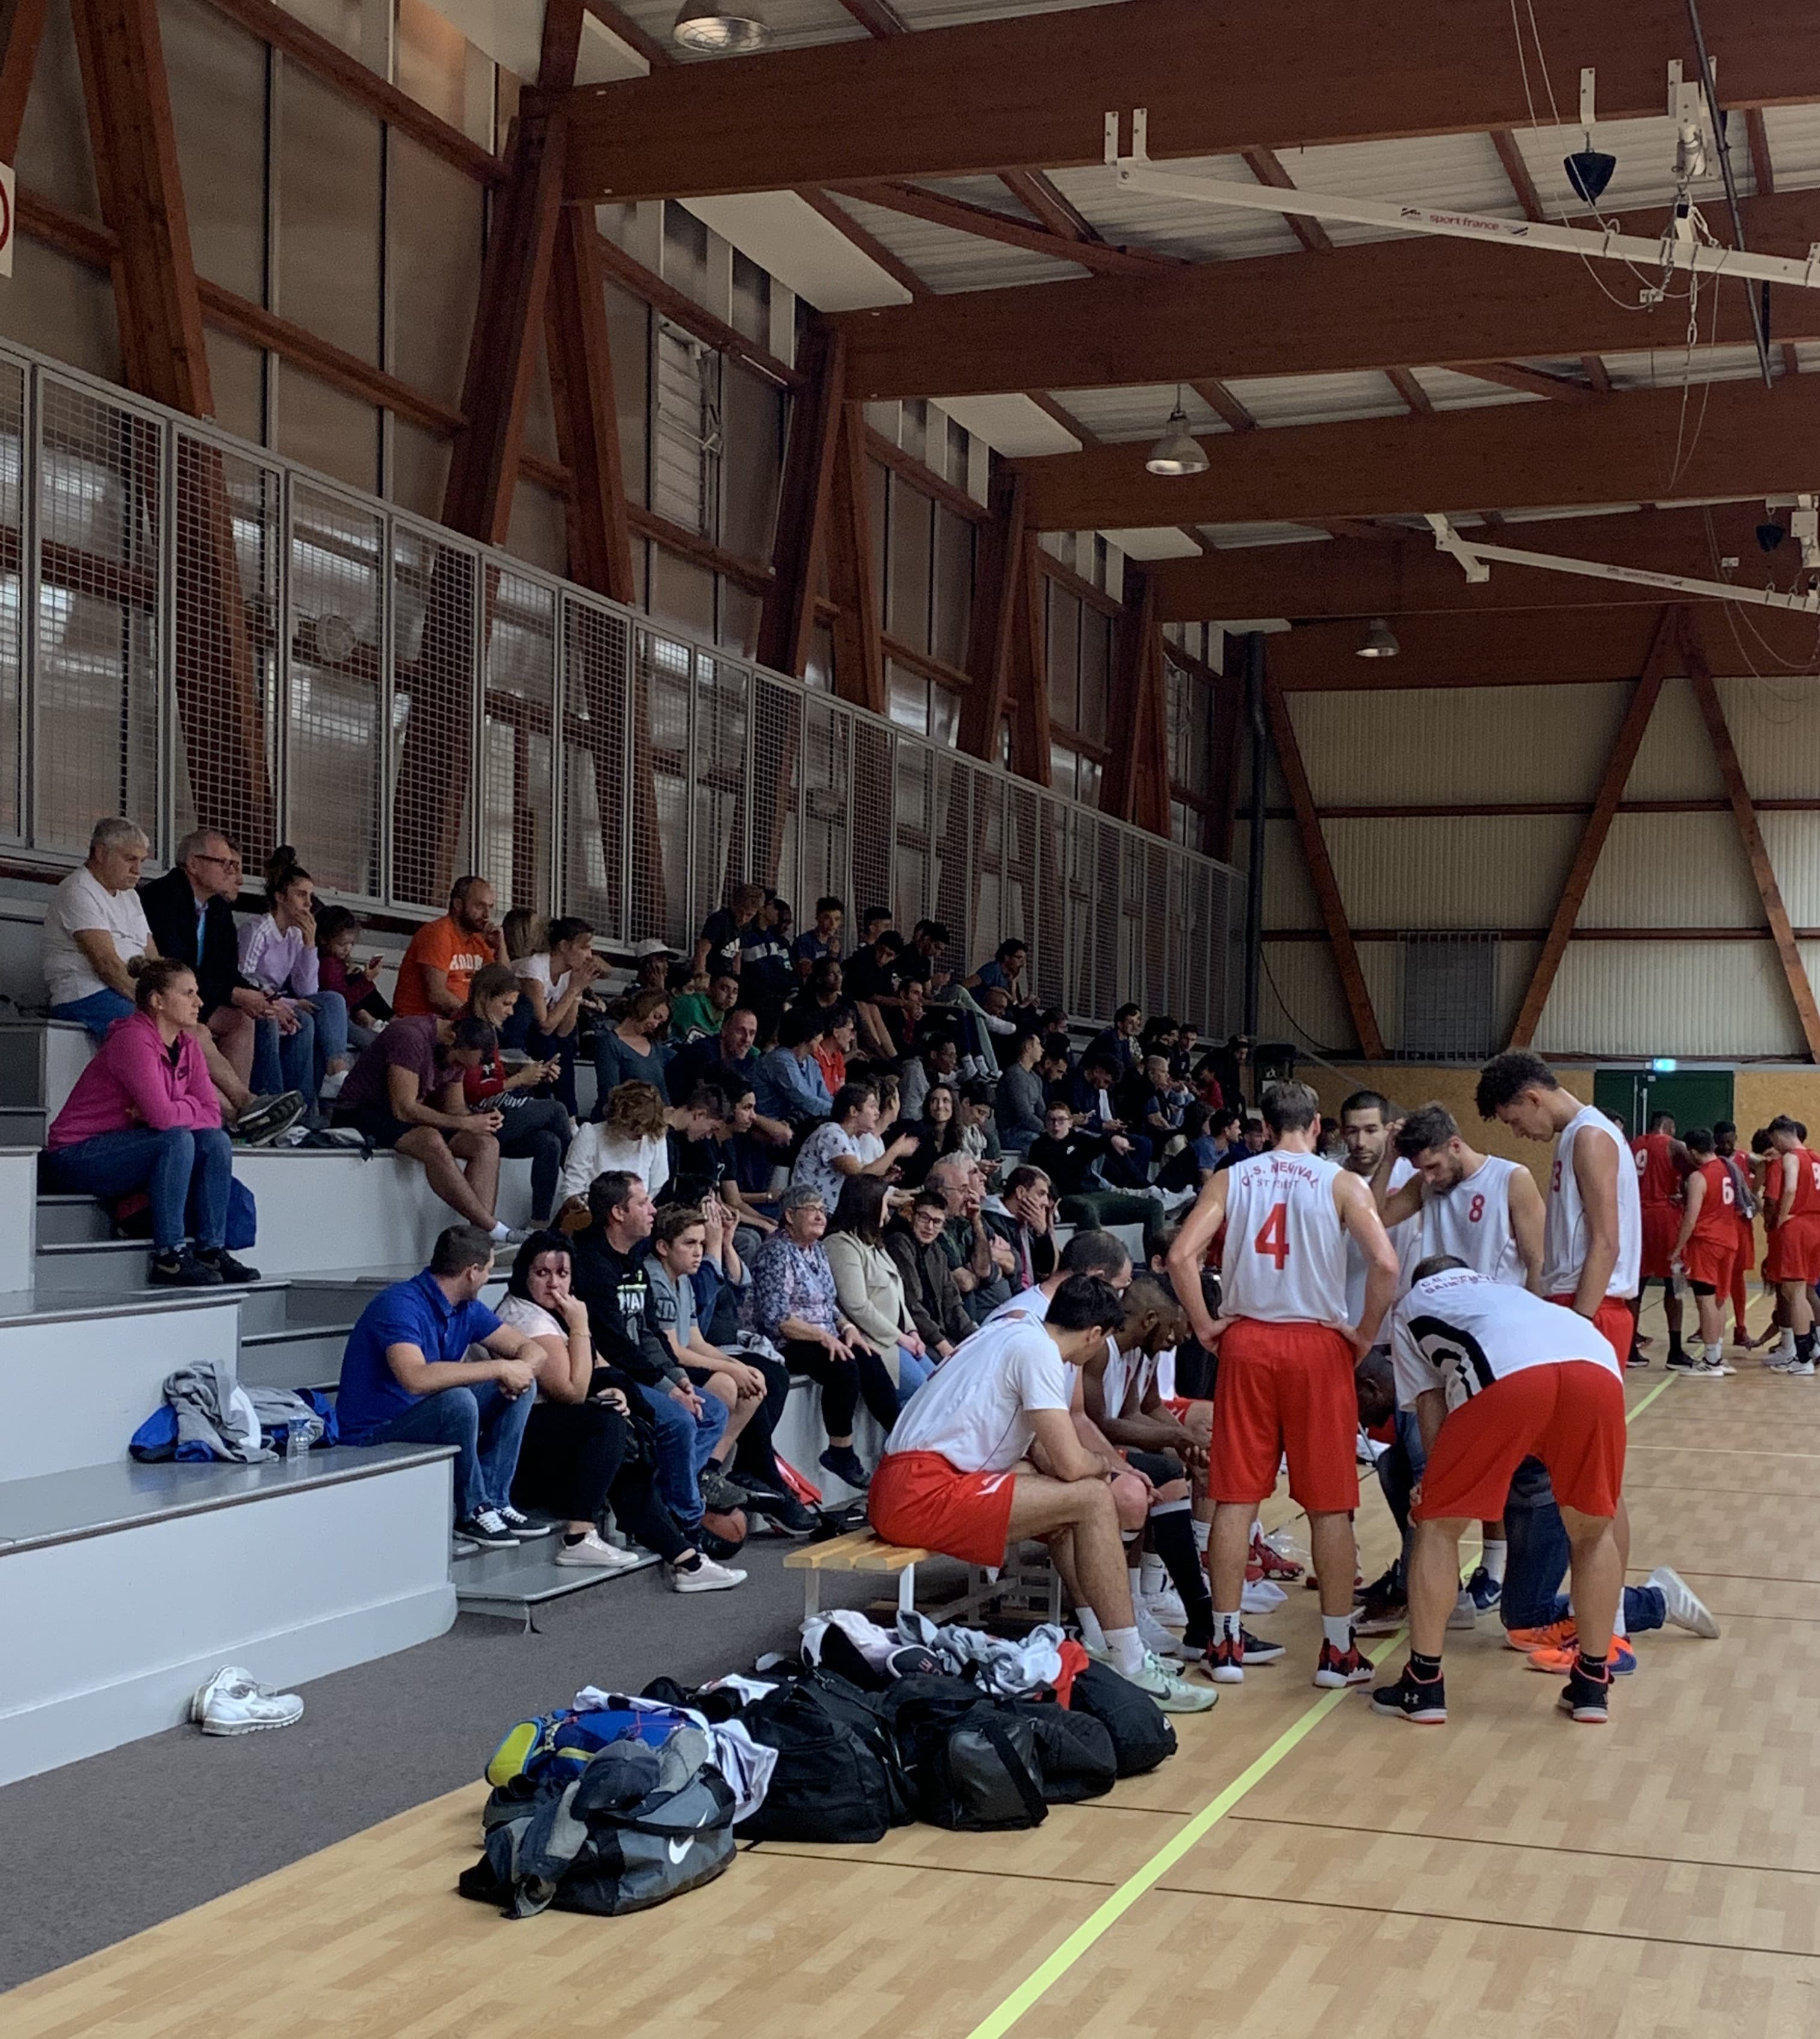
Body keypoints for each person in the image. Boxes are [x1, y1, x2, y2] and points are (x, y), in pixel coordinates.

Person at [870, 1275, 1212, 1713]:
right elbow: (1072, 1461)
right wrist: (1107, 1465)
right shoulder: (1040, 1353)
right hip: (919, 1490)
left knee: (1068, 1499)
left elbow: (1046, 1455)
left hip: (911, 1480)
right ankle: (1132, 1660)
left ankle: (1101, 1637)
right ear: (1094, 1335)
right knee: (1089, 1497)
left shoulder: (1012, 1330)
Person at [1168, 1078, 1398, 1689]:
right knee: (1330, 1504)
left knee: (1236, 1497)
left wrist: (1204, 1326)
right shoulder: (1340, 1183)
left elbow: (1180, 1255)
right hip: (1318, 1345)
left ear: (1264, 1129)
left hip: (1246, 1341)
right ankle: (1338, 1653)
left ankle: (1223, 1643)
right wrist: (1363, 1333)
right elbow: (1386, 1263)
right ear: (1317, 1126)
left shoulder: (1232, 1178)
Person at [1369, 1260, 1629, 1727]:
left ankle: (1424, 1683)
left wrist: (1435, 1485)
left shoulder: (1410, 1307)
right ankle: (1592, 1681)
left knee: (1439, 1525)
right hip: (1596, 1362)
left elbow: (1431, 1403)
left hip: (1507, 1370)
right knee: (1592, 1530)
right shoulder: (1505, 1290)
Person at [45, 959, 258, 1288]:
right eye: (188, 994)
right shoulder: (132, 1040)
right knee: (177, 1140)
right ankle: (169, 1257)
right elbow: (163, 1119)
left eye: (197, 994)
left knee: (215, 1141)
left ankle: (211, 1250)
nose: (199, 1002)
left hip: (131, 1147)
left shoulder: (189, 1044)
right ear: (158, 1001)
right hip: (77, 1154)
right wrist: (181, 1109)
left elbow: (212, 1115)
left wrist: (176, 1108)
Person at [335, 1224, 548, 1548]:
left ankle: (496, 1500)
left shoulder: (466, 1308)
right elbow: (416, 1378)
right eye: (488, 1271)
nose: (489, 1278)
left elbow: (534, 1352)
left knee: (523, 1386)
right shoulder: (399, 1304)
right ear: (472, 1272)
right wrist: (500, 1367)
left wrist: (518, 1370)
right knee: (460, 1401)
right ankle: (471, 1511)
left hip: (421, 1415)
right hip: (375, 1432)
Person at [568, 1171, 729, 1549]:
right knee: (680, 1420)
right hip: (608, 1372)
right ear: (618, 1213)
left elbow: (652, 1332)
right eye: (643, 1202)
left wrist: (678, 1378)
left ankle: (659, 1504)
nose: (653, 1209)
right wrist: (668, 1389)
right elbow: (615, 1343)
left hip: (642, 1371)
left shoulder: (633, 1263)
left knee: (714, 1411)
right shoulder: (591, 1263)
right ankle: (686, 1523)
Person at [1474, 1052, 1641, 1361]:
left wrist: (1579, 1324)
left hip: (1590, 1308)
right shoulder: (1575, 1135)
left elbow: (1606, 1242)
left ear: (1532, 1098)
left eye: (1514, 1121)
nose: (1517, 1132)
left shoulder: (1590, 1136)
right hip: (1575, 1304)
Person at [751, 1183, 901, 1491]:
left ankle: (902, 1439)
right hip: (788, 1341)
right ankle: (840, 1451)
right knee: (843, 1366)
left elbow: (828, 1303)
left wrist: (847, 1328)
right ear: (790, 1216)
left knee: (870, 1358)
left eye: (823, 1210)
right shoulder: (776, 1253)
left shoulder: (817, 1250)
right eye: (813, 1210)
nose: (821, 1216)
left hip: (823, 1334)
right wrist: (822, 1337)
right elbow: (776, 1318)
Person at [332, 1010, 516, 1241]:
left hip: (398, 1112)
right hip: (360, 1110)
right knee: (431, 1140)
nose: (458, 1068)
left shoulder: (459, 1049)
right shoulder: (410, 1036)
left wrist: (482, 1119)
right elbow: (404, 1108)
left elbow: (455, 1108)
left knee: (486, 1144)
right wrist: (465, 1122)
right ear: (451, 1038)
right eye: (458, 1062)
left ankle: (478, 1242)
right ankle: (492, 1229)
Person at [645, 1202, 779, 1514]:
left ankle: (707, 1469)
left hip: (680, 1361)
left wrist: (740, 1366)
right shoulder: (656, 1279)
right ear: (664, 1247)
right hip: (661, 1370)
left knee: (752, 1382)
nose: (699, 1253)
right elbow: (673, 1350)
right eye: (690, 1244)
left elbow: (695, 1339)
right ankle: (681, 1481)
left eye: (702, 1245)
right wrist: (729, 1369)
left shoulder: (683, 1278)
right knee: (726, 1385)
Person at [1371, 1102, 1546, 1291]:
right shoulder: (1424, 1183)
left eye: (1432, 1166)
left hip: (1495, 1310)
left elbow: (1538, 1261)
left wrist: (1533, 1315)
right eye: (1421, 1169)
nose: (1428, 1178)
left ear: (1455, 1146)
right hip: (1442, 1309)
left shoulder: (1511, 1179)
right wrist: (1389, 1160)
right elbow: (1375, 1218)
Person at [237, 849, 342, 1113]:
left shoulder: (296, 935)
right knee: (302, 1021)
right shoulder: (258, 929)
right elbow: (245, 978)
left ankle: (334, 1071)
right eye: (301, 895)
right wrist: (289, 1002)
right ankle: (277, 1102)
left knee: (332, 1000)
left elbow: (309, 990)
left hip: (281, 1000)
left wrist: (309, 945)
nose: (309, 904)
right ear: (281, 897)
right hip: (252, 1002)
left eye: (310, 896)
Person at [824, 1175, 934, 1406]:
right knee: (922, 1394)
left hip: (899, 1338)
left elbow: (898, 1293)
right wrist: (900, 1338)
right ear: (870, 1204)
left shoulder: (873, 1243)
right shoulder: (841, 1244)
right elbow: (856, 1305)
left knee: (940, 1384)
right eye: (885, 1202)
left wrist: (913, 1332)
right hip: (876, 1342)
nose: (888, 1210)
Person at [44, 816, 156, 1039]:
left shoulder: (131, 895)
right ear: (101, 854)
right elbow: (107, 965)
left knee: (195, 1031)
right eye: (130, 859)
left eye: (142, 861)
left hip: (126, 993)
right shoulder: (79, 890)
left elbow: (152, 956)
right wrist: (152, 1003)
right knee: (154, 1031)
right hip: (86, 994)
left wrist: (170, 995)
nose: (137, 870)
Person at [457, 1021, 572, 1227]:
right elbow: (472, 1091)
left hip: (501, 1107)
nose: (511, 1013)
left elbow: (499, 1082)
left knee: (549, 1142)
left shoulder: (492, 1032)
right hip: (480, 1117)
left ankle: (539, 1224)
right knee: (557, 1110)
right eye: (506, 1004)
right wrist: (519, 1079)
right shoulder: (471, 1033)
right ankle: (578, 1186)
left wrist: (534, 1076)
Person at [1665, 1127, 1739, 1379]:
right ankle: (1716, 1354)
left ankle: (1711, 1361)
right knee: (1719, 1298)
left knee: (1705, 1300)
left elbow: (1691, 1217)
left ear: (1693, 1151)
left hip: (1706, 1242)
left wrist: (1677, 1249)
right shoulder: (1727, 1169)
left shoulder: (1700, 1177)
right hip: (1729, 1240)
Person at [511, 916, 601, 1119]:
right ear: (563, 946)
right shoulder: (534, 969)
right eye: (584, 948)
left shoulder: (570, 973)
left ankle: (570, 1115)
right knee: (547, 1044)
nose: (589, 956)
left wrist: (576, 992)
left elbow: (564, 1030)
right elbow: (545, 1026)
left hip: (543, 1034)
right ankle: (548, 1106)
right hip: (513, 1029)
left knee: (566, 1046)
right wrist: (575, 988)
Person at [794, 1081, 920, 1212]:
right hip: (810, 1212)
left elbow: (859, 1181)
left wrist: (884, 1179)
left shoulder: (852, 1139)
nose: (877, 1113)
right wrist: (896, 1150)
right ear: (853, 1111)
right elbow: (860, 1176)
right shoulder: (831, 1132)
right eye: (872, 1107)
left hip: (829, 1213)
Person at [392, 875, 506, 1019]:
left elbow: (504, 986)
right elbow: (437, 995)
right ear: (458, 905)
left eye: (490, 908)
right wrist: (476, 1019)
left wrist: (500, 945)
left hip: (460, 1022)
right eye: (480, 906)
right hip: (425, 1023)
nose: (487, 915)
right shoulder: (438, 933)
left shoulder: (477, 939)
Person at [886, 1188, 976, 1359]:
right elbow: (910, 1303)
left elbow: (952, 1303)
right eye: (924, 1218)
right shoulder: (899, 1243)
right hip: (912, 1335)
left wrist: (975, 1337)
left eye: (937, 1222)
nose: (930, 1227)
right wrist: (941, 1344)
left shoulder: (937, 1252)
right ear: (912, 1216)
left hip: (938, 1334)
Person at [927, 1152, 1016, 1323]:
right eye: (962, 1189)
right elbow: (965, 1282)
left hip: (992, 1313)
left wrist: (976, 1222)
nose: (968, 1195)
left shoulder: (970, 1218)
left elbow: (992, 1268)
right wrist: (987, 1272)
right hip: (957, 1323)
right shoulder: (935, 1226)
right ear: (942, 1193)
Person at [1762, 1116, 1820, 1376]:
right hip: (1816, 1225)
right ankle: (1810, 1349)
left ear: (1780, 1135)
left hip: (1797, 1226)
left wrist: (1784, 1215)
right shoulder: (1816, 1158)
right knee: (1804, 1290)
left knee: (1793, 1292)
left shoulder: (1791, 1157)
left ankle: (1804, 1357)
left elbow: (1790, 1188)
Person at [1632, 1110, 1689, 1369]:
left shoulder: (1633, 1144)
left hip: (1637, 1217)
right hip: (1665, 1216)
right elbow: (1696, 1172)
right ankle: (1675, 1351)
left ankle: (1629, 1347)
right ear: (1669, 1126)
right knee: (1674, 1284)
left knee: (1636, 1285)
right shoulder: (1674, 1145)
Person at [315, 905, 391, 1052]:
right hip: (336, 1018)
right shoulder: (327, 966)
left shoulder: (337, 963)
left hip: (346, 1016)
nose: (347, 949)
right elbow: (341, 1000)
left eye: (351, 944)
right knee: (377, 1046)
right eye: (342, 944)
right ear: (324, 940)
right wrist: (366, 981)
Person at [1712, 1120, 1759, 1351]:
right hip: (1717, 1225)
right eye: (1723, 1142)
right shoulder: (1709, 1160)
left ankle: (1741, 1328)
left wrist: (1754, 1195)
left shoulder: (1744, 1158)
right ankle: (1708, 1327)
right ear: (1715, 1141)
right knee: (1713, 1279)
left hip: (1739, 1224)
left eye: (1731, 1141)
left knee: (1737, 1278)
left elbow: (1765, 1164)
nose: (1728, 1145)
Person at [753, 1005, 833, 1128]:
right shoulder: (780, 1060)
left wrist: (847, 1108)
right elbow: (804, 1100)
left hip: (800, 1125)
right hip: (772, 1128)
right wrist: (841, 1111)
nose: (822, 1037)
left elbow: (825, 1097)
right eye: (819, 1033)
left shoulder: (811, 1063)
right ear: (807, 1035)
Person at [594, 986, 671, 1108]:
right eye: (656, 1017)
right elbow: (609, 1094)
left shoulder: (655, 1046)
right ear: (645, 1006)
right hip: (623, 1118)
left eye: (660, 1023)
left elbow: (663, 1091)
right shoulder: (610, 1043)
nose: (656, 1025)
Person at [989, 1164, 1057, 1292]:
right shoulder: (992, 1221)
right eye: (1041, 1194)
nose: (1045, 1202)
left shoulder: (1030, 1222)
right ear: (1020, 1192)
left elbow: (1046, 1270)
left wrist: (1043, 1233)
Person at [844, 925, 906, 1058]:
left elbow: (885, 993)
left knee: (874, 1009)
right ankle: (880, 1053)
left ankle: (892, 1055)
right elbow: (867, 995)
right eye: (881, 951)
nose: (882, 958)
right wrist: (903, 1003)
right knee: (867, 1007)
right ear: (876, 946)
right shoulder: (863, 958)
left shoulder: (888, 968)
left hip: (870, 1005)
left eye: (889, 955)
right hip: (849, 1000)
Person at [693, 881, 765, 981]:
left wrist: (736, 979)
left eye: (749, 915)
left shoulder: (747, 927)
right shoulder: (719, 920)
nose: (743, 918)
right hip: (711, 973)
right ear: (733, 905)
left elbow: (737, 956)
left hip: (727, 976)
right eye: (740, 912)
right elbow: (702, 951)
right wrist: (700, 975)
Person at [996, 1030, 1047, 1153]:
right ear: (1028, 1047)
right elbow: (1023, 1114)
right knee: (1043, 1144)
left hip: (1032, 1130)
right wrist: (1046, 1130)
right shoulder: (1014, 1074)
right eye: (1039, 1044)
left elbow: (1042, 1111)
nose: (1043, 1050)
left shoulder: (1036, 1078)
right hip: (1011, 1132)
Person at [670, 968, 737, 1044]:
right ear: (710, 989)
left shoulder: (723, 1023)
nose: (731, 996)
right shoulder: (690, 1004)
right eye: (724, 989)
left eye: (735, 992)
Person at [793, 895, 844, 976]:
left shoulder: (834, 943)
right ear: (818, 918)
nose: (833, 924)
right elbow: (806, 972)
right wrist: (832, 956)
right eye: (827, 918)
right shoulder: (804, 941)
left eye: (837, 919)